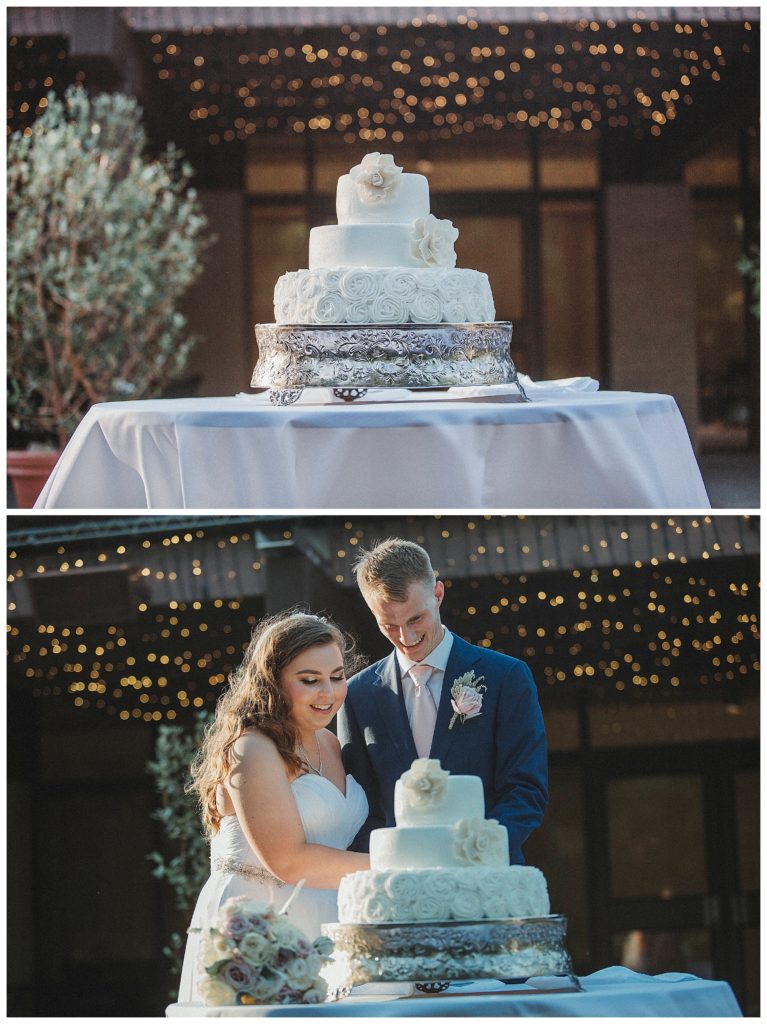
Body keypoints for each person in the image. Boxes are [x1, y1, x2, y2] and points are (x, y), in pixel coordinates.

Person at [179, 611, 369, 1004]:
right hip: (260, 927)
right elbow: (288, 860)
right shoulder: (253, 748)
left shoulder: (331, 744)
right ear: (274, 681)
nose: (328, 693)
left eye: (336, 676)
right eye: (309, 681)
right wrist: (403, 863)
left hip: (331, 921)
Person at [338, 539, 547, 864]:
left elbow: (525, 789)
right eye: (389, 626)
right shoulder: (356, 695)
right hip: (400, 886)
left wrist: (475, 853)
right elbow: (361, 807)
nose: (406, 638)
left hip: (489, 877)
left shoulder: (506, 677)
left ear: (438, 593)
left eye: (416, 619)